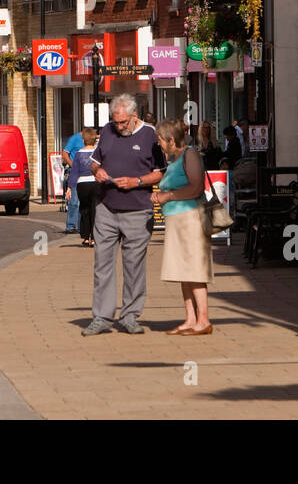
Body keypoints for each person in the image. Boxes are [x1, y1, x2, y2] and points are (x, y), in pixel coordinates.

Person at [82, 93, 166, 336]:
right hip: (106, 206)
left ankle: (130, 315)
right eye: (115, 122)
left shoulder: (150, 135)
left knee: (134, 265)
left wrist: (137, 181)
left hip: (138, 209)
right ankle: (101, 316)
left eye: (123, 122)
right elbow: (94, 161)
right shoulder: (107, 131)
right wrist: (97, 170)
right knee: (102, 264)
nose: (119, 127)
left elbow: (160, 172)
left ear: (134, 116)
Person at [149, 119, 213, 335]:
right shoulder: (175, 157)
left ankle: (203, 320)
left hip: (190, 217)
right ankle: (190, 319)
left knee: (194, 270)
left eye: (159, 139)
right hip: (177, 219)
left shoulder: (190, 154)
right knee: (182, 271)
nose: (158, 143)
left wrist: (167, 196)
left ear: (171, 140)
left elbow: (195, 187)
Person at [66, 127, 99, 242]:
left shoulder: (78, 154)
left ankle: (85, 236)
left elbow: (74, 172)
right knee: (95, 210)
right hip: (95, 183)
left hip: (82, 184)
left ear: (84, 140)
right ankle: (94, 238)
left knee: (84, 209)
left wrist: (69, 187)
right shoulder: (97, 152)